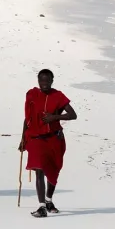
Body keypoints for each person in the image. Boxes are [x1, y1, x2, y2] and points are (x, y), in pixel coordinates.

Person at [19, 69, 77, 218]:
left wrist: (54, 117)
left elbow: (73, 115)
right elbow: (28, 118)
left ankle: (49, 201)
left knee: (53, 170)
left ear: (52, 81)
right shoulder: (32, 95)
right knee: (39, 169)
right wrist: (23, 138)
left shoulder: (58, 96)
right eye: (41, 81)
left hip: (55, 139)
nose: (44, 84)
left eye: (47, 81)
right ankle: (41, 207)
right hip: (36, 138)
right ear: (38, 81)